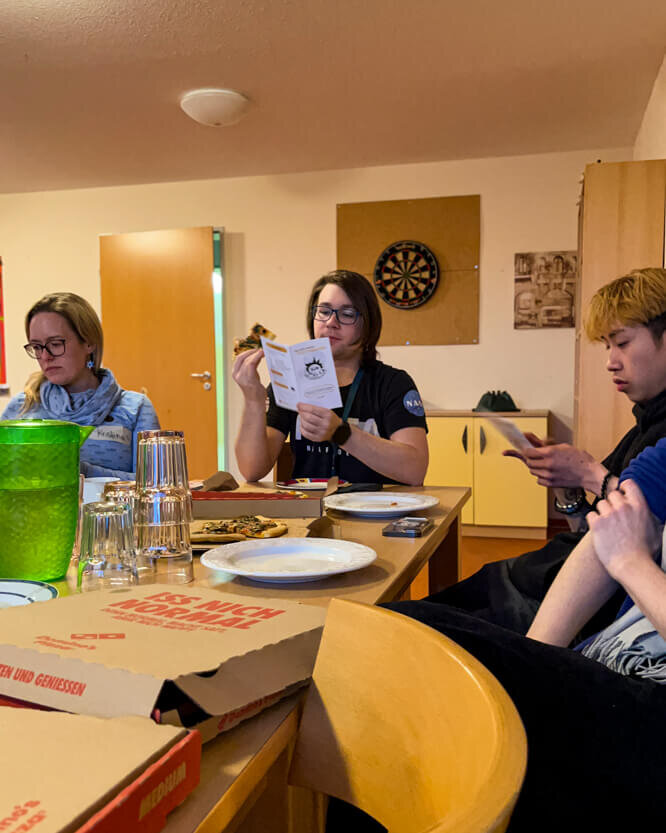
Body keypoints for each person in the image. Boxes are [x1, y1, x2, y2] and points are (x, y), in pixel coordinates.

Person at [381, 444, 666, 831]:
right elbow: (608, 533)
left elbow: (618, 546)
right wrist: (531, 655)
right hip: (610, 663)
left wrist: (630, 562)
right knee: (396, 633)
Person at [426, 267, 666, 635]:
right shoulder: (644, 423)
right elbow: (591, 533)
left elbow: (633, 543)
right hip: (536, 577)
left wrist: (590, 473)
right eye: (607, 346)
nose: (610, 361)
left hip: (554, 603)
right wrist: (567, 489)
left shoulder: (659, 441)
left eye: (622, 342)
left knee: (403, 627)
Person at [233, 270, 428, 485]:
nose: (331, 322)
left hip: (375, 505)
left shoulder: (393, 384)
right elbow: (252, 470)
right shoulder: (291, 380)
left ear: (368, 324)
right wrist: (253, 399)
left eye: (347, 314)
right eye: (324, 311)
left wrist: (342, 433)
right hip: (309, 505)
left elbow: (415, 470)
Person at [1, 292, 160, 479]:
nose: (45, 356)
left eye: (55, 344)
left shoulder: (136, 408)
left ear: (89, 342)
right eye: (36, 347)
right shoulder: (21, 407)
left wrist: (80, 471)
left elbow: (156, 484)